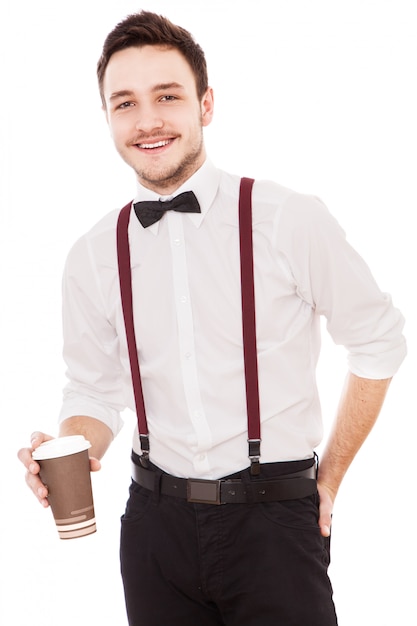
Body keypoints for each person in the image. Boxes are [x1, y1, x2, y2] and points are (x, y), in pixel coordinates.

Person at [18, 10, 406, 626]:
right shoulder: (92, 254)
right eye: (125, 103)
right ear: (107, 118)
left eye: (166, 96)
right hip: (153, 528)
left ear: (206, 104)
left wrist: (328, 477)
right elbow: (94, 388)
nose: (147, 120)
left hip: (275, 521)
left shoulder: (287, 218)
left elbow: (379, 341)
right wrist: (72, 444)